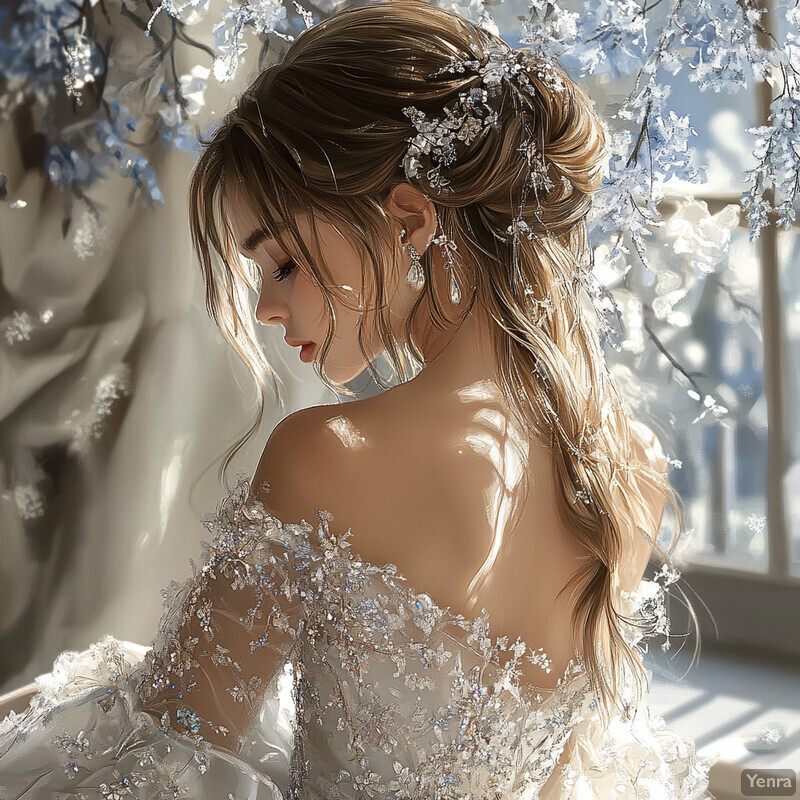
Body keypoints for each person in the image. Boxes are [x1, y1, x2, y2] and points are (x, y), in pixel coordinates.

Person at [0, 0, 715, 796]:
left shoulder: (330, 457)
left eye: (281, 265)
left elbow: (174, 755)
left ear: (409, 218)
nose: (266, 312)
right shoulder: (630, 466)